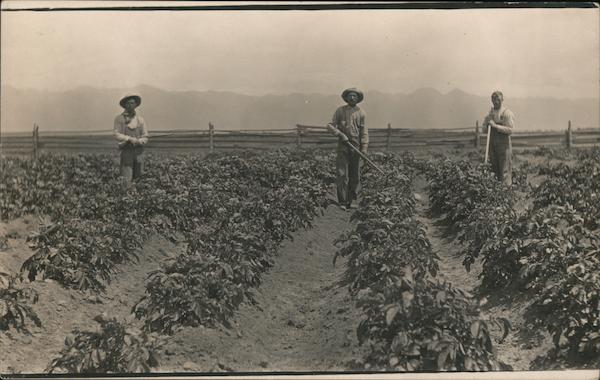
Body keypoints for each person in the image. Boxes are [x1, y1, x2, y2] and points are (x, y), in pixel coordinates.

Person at [329, 87, 368, 210]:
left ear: (358, 99)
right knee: (341, 173)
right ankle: (342, 201)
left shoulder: (361, 113)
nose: (352, 98)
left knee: (354, 174)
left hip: (356, 145)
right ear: (346, 98)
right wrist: (340, 134)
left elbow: (364, 132)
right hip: (343, 145)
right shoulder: (340, 111)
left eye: (354, 96)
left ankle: (351, 200)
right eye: (350, 96)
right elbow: (330, 126)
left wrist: (364, 147)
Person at [113, 94, 148, 187]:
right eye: (128, 103)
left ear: (136, 105)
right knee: (126, 178)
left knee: (139, 176)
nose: (130, 105)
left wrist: (140, 141)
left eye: (132, 103)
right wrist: (129, 139)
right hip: (126, 150)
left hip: (139, 152)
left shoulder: (140, 120)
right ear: (124, 105)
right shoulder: (119, 119)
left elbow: (145, 136)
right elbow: (116, 134)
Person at [483, 91, 515, 185]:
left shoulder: (507, 113)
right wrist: (487, 124)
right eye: (494, 100)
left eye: (498, 100)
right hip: (492, 146)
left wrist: (496, 126)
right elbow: (484, 129)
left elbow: (510, 130)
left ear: (502, 100)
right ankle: (497, 195)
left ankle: (506, 194)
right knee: (494, 169)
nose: (496, 102)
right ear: (492, 100)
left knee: (505, 171)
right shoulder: (490, 114)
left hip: (504, 147)